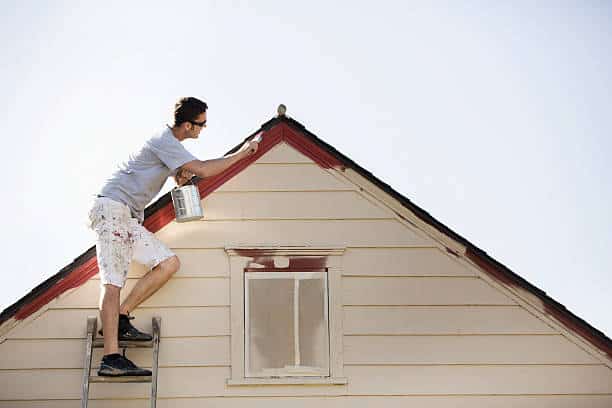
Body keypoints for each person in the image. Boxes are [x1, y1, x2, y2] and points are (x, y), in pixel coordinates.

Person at [88, 97, 259, 376]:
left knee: (169, 263)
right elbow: (203, 168)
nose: (204, 130)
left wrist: (179, 176)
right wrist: (242, 153)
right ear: (188, 125)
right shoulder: (165, 140)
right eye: (202, 124)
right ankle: (110, 358)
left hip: (128, 217)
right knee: (112, 283)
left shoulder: (171, 148)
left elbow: (176, 172)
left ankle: (121, 316)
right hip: (111, 209)